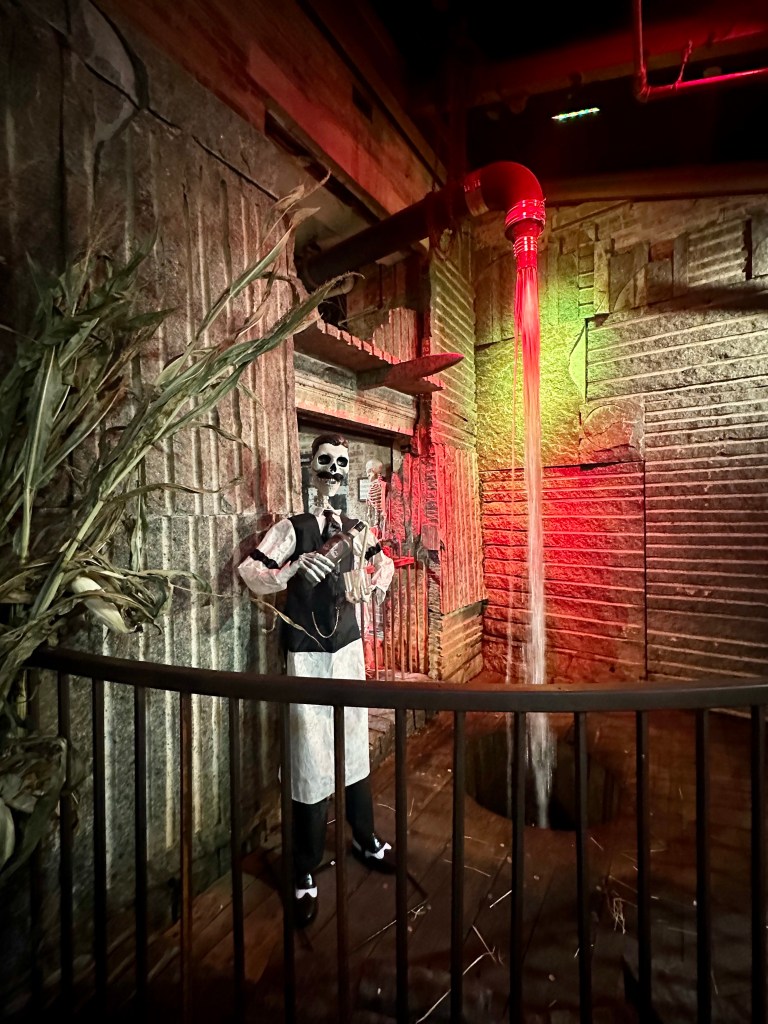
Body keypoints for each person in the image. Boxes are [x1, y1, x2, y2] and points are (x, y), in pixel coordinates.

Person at [238, 433, 396, 928]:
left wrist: (373, 584)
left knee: (353, 740)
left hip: (347, 650)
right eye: (326, 460)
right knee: (308, 752)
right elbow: (250, 571)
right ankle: (304, 865)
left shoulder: (357, 528)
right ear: (312, 466)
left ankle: (363, 836)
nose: (334, 469)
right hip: (306, 653)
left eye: (341, 462)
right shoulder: (294, 527)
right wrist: (292, 568)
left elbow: (385, 563)